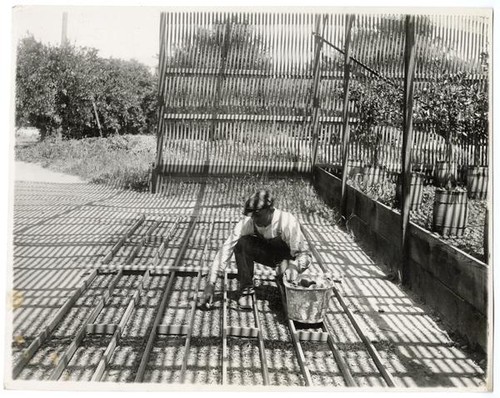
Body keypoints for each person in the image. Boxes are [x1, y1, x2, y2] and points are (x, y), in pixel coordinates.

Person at [197, 189, 312, 309]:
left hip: (287, 259)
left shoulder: (287, 221)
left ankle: (286, 280)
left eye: (258, 215)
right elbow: (226, 249)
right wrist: (210, 284)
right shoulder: (249, 222)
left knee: (288, 289)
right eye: (252, 216)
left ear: (271, 210)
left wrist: (294, 267)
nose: (255, 219)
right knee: (242, 243)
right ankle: (246, 289)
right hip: (267, 254)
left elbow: (305, 255)